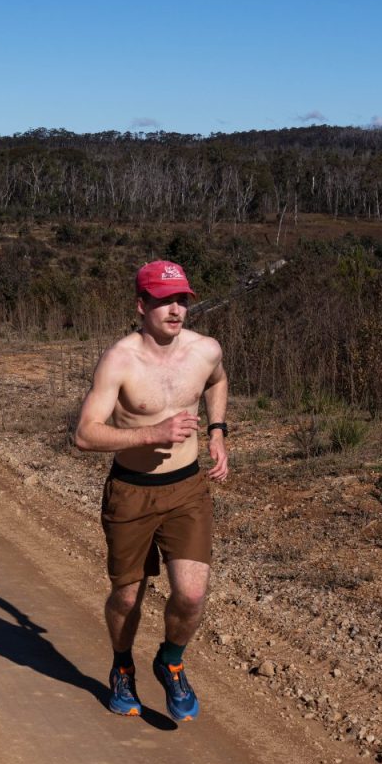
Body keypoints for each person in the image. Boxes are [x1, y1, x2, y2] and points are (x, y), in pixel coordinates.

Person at [74, 260, 228, 723]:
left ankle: (171, 660)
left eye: (182, 299)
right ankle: (123, 666)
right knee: (126, 598)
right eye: (164, 300)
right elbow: (84, 434)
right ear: (141, 305)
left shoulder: (205, 350)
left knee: (192, 594)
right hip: (132, 492)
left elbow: (217, 382)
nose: (176, 309)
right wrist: (150, 434)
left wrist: (217, 432)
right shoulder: (120, 360)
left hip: (187, 488)